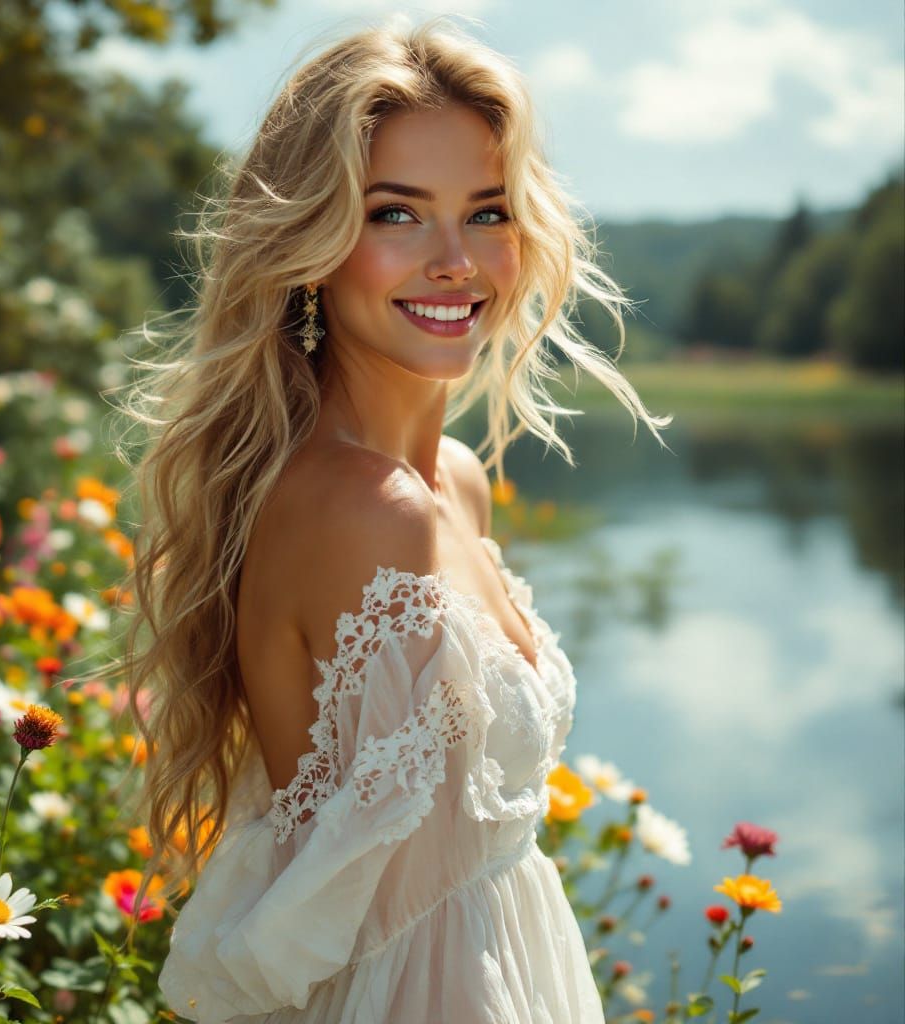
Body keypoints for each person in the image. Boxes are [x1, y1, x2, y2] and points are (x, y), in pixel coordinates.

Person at [111, 13, 672, 1022]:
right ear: (313, 244)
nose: (456, 259)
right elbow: (385, 916)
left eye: (488, 212)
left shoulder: (450, 479)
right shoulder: (361, 511)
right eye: (397, 214)